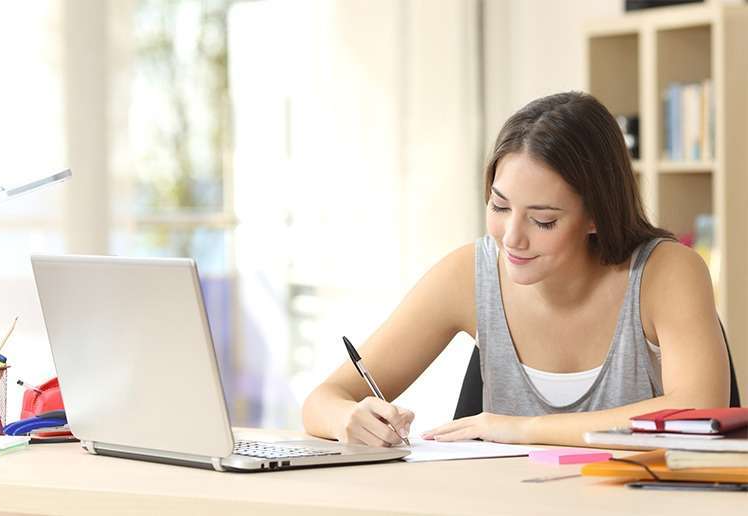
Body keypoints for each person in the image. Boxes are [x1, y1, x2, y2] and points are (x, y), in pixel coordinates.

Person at [301, 91, 729, 447]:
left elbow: (700, 407)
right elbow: (323, 399)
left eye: (543, 220)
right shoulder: (469, 275)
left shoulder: (666, 272)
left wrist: (522, 429)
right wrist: (349, 420)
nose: (511, 238)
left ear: (597, 215)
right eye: (499, 206)